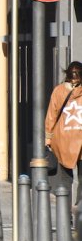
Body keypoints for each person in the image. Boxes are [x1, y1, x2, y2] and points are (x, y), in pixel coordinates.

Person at [45, 61, 82, 205]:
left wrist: (48, 138)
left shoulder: (59, 91)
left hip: (63, 141)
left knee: (65, 182)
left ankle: (64, 216)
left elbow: (51, 116)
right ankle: (80, 215)